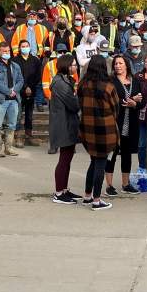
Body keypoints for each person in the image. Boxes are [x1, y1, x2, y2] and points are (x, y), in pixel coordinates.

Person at [77, 54, 118, 211]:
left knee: (93, 161)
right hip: (105, 129)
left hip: (87, 128)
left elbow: (79, 104)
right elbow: (116, 108)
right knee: (100, 163)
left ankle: (87, 196)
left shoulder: (82, 85)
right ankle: (97, 199)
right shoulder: (108, 87)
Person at [103, 54, 142, 195]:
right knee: (112, 154)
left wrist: (135, 103)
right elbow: (108, 101)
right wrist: (130, 100)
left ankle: (126, 184)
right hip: (115, 123)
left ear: (126, 65)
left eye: (120, 63)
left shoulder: (135, 81)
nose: (118, 66)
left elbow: (142, 101)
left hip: (130, 123)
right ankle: (109, 185)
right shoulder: (110, 82)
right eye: (116, 63)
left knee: (127, 154)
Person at [49, 53, 83, 204]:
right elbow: (74, 104)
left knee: (68, 157)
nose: (75, 67)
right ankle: (58, 193)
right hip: (63, 124)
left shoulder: (67, 80)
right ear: (66, 66)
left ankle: (64, 189)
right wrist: (78, 98)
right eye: (73, 65)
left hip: (69, 123)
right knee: (64, 159)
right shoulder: (60, 83)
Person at [0, 41, 23, 157]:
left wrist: (14, 91)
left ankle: (9, 147)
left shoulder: (15, 66)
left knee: (12, 124)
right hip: (0, 100)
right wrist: (8, 91)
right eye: (4, 51)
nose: (7, 53)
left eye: (8, 51)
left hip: (13, 100)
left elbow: (20, 81)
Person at [14, 39, 43, 147]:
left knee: (29, 115)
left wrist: (30, 87)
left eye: (27, 45)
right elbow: (16, 76)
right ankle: (17, 137)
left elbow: (38, 75)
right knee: (17, 115)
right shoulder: (15, 60)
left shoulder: (35, 60)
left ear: (30, 47)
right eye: (23, 46)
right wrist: (25, 87)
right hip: (19, 91)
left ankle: (28, 136)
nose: (25, 47)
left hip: (32, 91)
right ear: (19, 48)